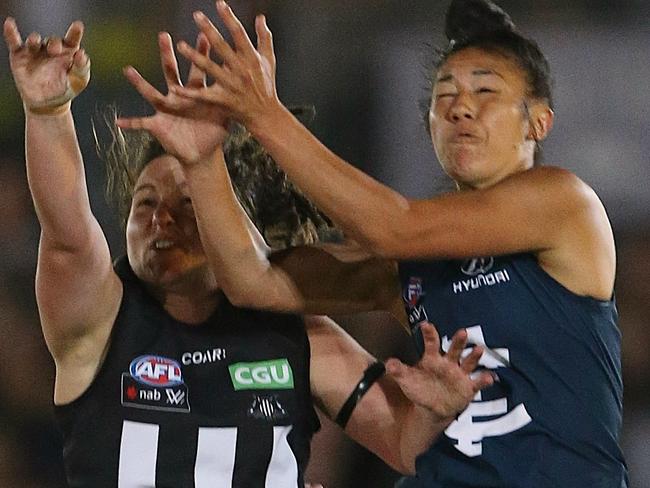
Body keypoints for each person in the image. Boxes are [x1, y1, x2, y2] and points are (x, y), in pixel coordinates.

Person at [142, 0, 629, 486]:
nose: (460, 106)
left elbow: (393, 225)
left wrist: (265, 116)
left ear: (538, 122)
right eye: (445, 95)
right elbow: (255, 281)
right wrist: (203, 161)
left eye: (485, 90)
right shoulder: (412, 266)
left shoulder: (565, 204)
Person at [2, 15, 494, 488]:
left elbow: (405, 445)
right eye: (145, 203)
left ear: (226, 221)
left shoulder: (300, 338)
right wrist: (47, 112)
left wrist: (432, 411)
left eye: (188, 205)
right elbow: (67, 235)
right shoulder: (100, 320)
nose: (161, 220)